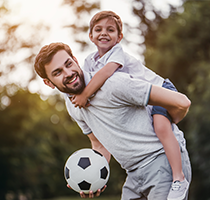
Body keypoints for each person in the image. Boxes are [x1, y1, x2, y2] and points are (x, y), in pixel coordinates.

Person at [34, 42, 192, 200]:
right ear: (48, 82)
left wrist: (169, 126)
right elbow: (99, 145)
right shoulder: (73, 105)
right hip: (133, 174)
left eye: (69, 64)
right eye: (57, 72)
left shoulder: (113, 84)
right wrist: (93, 176)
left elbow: (181, 102)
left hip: (163, 161)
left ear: (75, 60)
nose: (68, 73)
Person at [69, 11, 188, 200]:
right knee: (158, 127)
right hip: (144, 100)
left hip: (160, 89)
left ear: (119, 37)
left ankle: (178, 178)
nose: (104, 33)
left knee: (162, 128)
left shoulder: (117, 53)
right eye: (98, 30)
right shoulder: (89, 61)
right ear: (90, 36)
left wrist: (84, 94)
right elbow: (91, 79)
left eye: (110, 30)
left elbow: (106, 73)